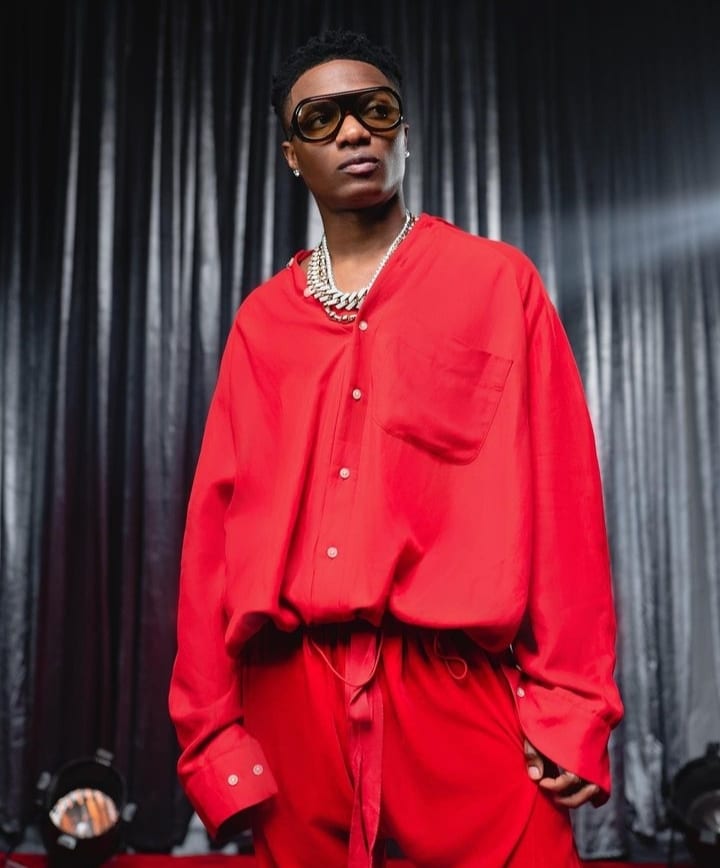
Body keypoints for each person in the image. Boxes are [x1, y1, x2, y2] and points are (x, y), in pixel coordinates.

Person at [168, 29, 623, 868]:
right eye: (321, 119)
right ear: (292, 155)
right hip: (291, 697)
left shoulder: (498, 284)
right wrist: (213, 737)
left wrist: (572, 706)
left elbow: (562, 504)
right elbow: (212, 546)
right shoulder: (261, 324)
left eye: (375, 111)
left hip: (455, 688)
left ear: (404, 133)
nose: (353, 132)